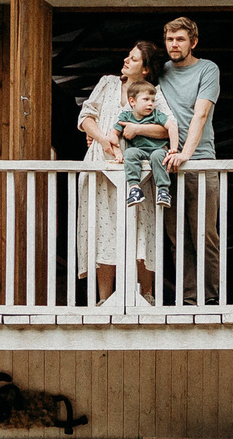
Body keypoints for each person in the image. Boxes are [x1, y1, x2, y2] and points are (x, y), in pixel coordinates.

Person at [74, 39, 164, 304]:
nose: (126, 60)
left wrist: (137, 131)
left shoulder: (153, 93)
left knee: (141, 227)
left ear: (145, 69)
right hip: (102, 165)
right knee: (102, 227)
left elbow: (166, 128)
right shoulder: (109, 83)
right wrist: (103, 139)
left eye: (133, 58)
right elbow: (85, 117)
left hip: (138, 169)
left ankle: (145, 295)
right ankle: (105, 298)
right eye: (127, 56)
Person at [157, 16, 223, 303]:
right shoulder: (159, 71)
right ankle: (188, 300)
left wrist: (187, 154)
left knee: (204, 235)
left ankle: (209, 300)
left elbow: (201, 114)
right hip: (168, 163)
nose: (174, 44)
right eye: (170, 39)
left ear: (193, 42)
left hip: (200, 161)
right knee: (177, 238)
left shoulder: (207, 69)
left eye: (180, 39)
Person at [113, 79, 175, 205]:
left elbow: (172, 127)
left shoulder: (156, 115)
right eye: (146, 99)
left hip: (157, 149)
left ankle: (163, 190)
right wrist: (117, 153)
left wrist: (173, 150)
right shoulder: (125, 117)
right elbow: (113, 135)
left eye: (152, 100)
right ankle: (134, 188)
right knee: (129, 153)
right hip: (139, 151)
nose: (150, 104)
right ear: (132, 101)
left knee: (158, 156)